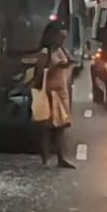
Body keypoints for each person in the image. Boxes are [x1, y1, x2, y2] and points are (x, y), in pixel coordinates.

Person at [32, 21, 77, 168]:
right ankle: (45, 159)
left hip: (60, 91)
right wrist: (56, 66)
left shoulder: (61, 51)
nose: (62, 40)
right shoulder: (46, 52)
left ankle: (60, 158)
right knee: (46, 127)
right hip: (49, 93)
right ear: (53, 37)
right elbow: (40, 72)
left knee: (60, 126)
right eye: (60, 37)